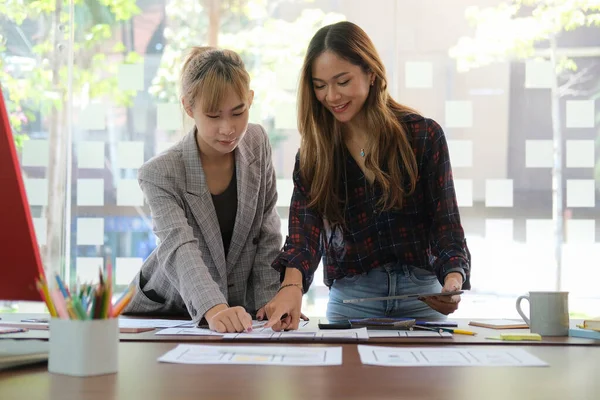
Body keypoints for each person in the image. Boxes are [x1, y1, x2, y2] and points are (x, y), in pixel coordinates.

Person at [265, 21, 471, 331]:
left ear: (371, 73)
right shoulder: (314, 154)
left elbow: (445, 224)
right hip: (353, 299)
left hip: (423, 296)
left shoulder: (423, 136)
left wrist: (453, 279)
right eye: (319, 85)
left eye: (342, 81)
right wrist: (291, 288)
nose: (331, 96)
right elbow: (303, 237)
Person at [123, 47, 282, 333]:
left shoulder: (257, 141)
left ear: (250, 100)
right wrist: (213, 307)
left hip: (236, 314)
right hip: (169, 311)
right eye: (213, 116)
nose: (228, 128)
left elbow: (267, 231)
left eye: (238, 112)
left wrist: (270, 305)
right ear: (188, 108)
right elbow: (178, 246)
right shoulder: (160, 172)